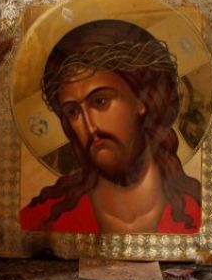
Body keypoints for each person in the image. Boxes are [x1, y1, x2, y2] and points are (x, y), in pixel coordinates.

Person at [19, 20, 202, 234]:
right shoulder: (42, 220)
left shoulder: (200, 216)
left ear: (142, 99)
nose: (89, 126)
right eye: (73, 112)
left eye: (100, 102)